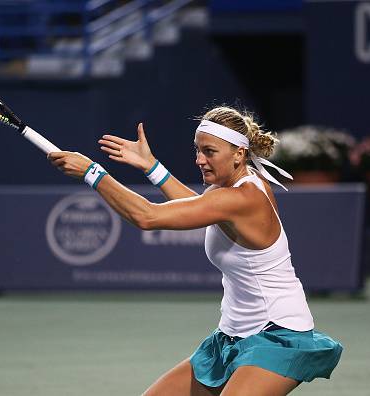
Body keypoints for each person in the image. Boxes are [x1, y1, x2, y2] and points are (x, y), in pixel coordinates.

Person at [48, 106, 343, 396]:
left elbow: (147, 216)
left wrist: (92, 172)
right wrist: (152, 167)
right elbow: (196, 207)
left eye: (210, 152)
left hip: (277, 334)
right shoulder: (230, 189)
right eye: (198, 150)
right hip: (231, 336)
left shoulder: (244, 196)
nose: (200, 159)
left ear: (239, 154)